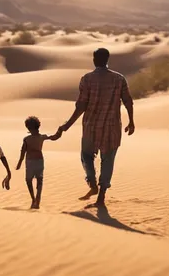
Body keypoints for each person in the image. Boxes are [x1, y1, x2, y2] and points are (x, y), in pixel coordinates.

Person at [60, 48, 135, 208]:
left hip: (91, 126)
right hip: (112, 127)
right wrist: (131, 121)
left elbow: (81, 105)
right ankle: (101, 197)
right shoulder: (119, 78)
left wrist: (67, 125)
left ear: (94, 60)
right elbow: (128, 100)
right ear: (107, 59)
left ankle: (92, 183)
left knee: (86, 156)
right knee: (107, 161)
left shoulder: (87, 79)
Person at [15, 116, 62, 209]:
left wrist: (19, 163)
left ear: (28, 127)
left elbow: (23, 151)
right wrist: (60, 131)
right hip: (39, 161)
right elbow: (54, 137)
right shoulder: (41, 137)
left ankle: (35, 199)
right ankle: (36, 199)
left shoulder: (27, 139)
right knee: (39, 180)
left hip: (30, 162)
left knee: (29, 180)